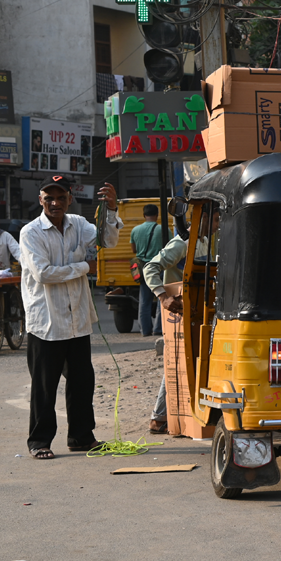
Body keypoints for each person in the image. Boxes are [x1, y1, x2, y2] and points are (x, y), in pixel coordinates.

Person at [21, 175, 121, 459]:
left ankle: (81, 437)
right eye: (49, 198)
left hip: (77, 318)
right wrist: (83, 267)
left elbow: (107, 241)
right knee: (45, 386)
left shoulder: (78, 223)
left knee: (81, 382)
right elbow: (43, 274)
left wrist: (111, 210)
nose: (55, 203)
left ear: (69, 198)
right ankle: (39, 442)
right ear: (41, 200)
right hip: (47, 322)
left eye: (60, 197)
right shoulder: (30, 232)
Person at [144, 204, 218, 434]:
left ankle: (171, 416)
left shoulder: (204, 241)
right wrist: (163, 297)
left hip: (197, 311)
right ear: (203, 217)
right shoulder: (182, 243)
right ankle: (159, 418)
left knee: (185, 363)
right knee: (176, 362)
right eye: (216, 220)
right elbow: (150, 268)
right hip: (179, 313)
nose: (218, 226)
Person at [130, 204, 166, 337]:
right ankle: (158, 329)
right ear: (157, 215)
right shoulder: (163, 229)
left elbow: (134, 250)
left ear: (144, 215)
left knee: (144, 301)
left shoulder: (135, 230)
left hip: (142, 268)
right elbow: (168, 249)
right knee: (161, 297)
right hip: (159, 267)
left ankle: (145, 331)